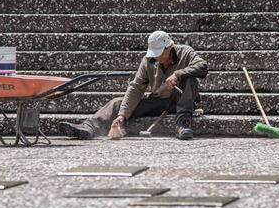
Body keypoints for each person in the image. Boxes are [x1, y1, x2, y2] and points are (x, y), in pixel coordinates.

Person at [60, 30, 208, 140]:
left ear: (169, 48)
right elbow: (136, 87)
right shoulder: (149, 60)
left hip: (182, 99)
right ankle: (89, 127)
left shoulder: (185, 52)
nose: (156, 57)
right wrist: (122, 115)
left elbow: (202, 66)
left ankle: (183, 124)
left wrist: (178, 74)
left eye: (160, 53)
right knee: (117, 103)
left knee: (190, 79)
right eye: (154, 54)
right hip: (158, 100)